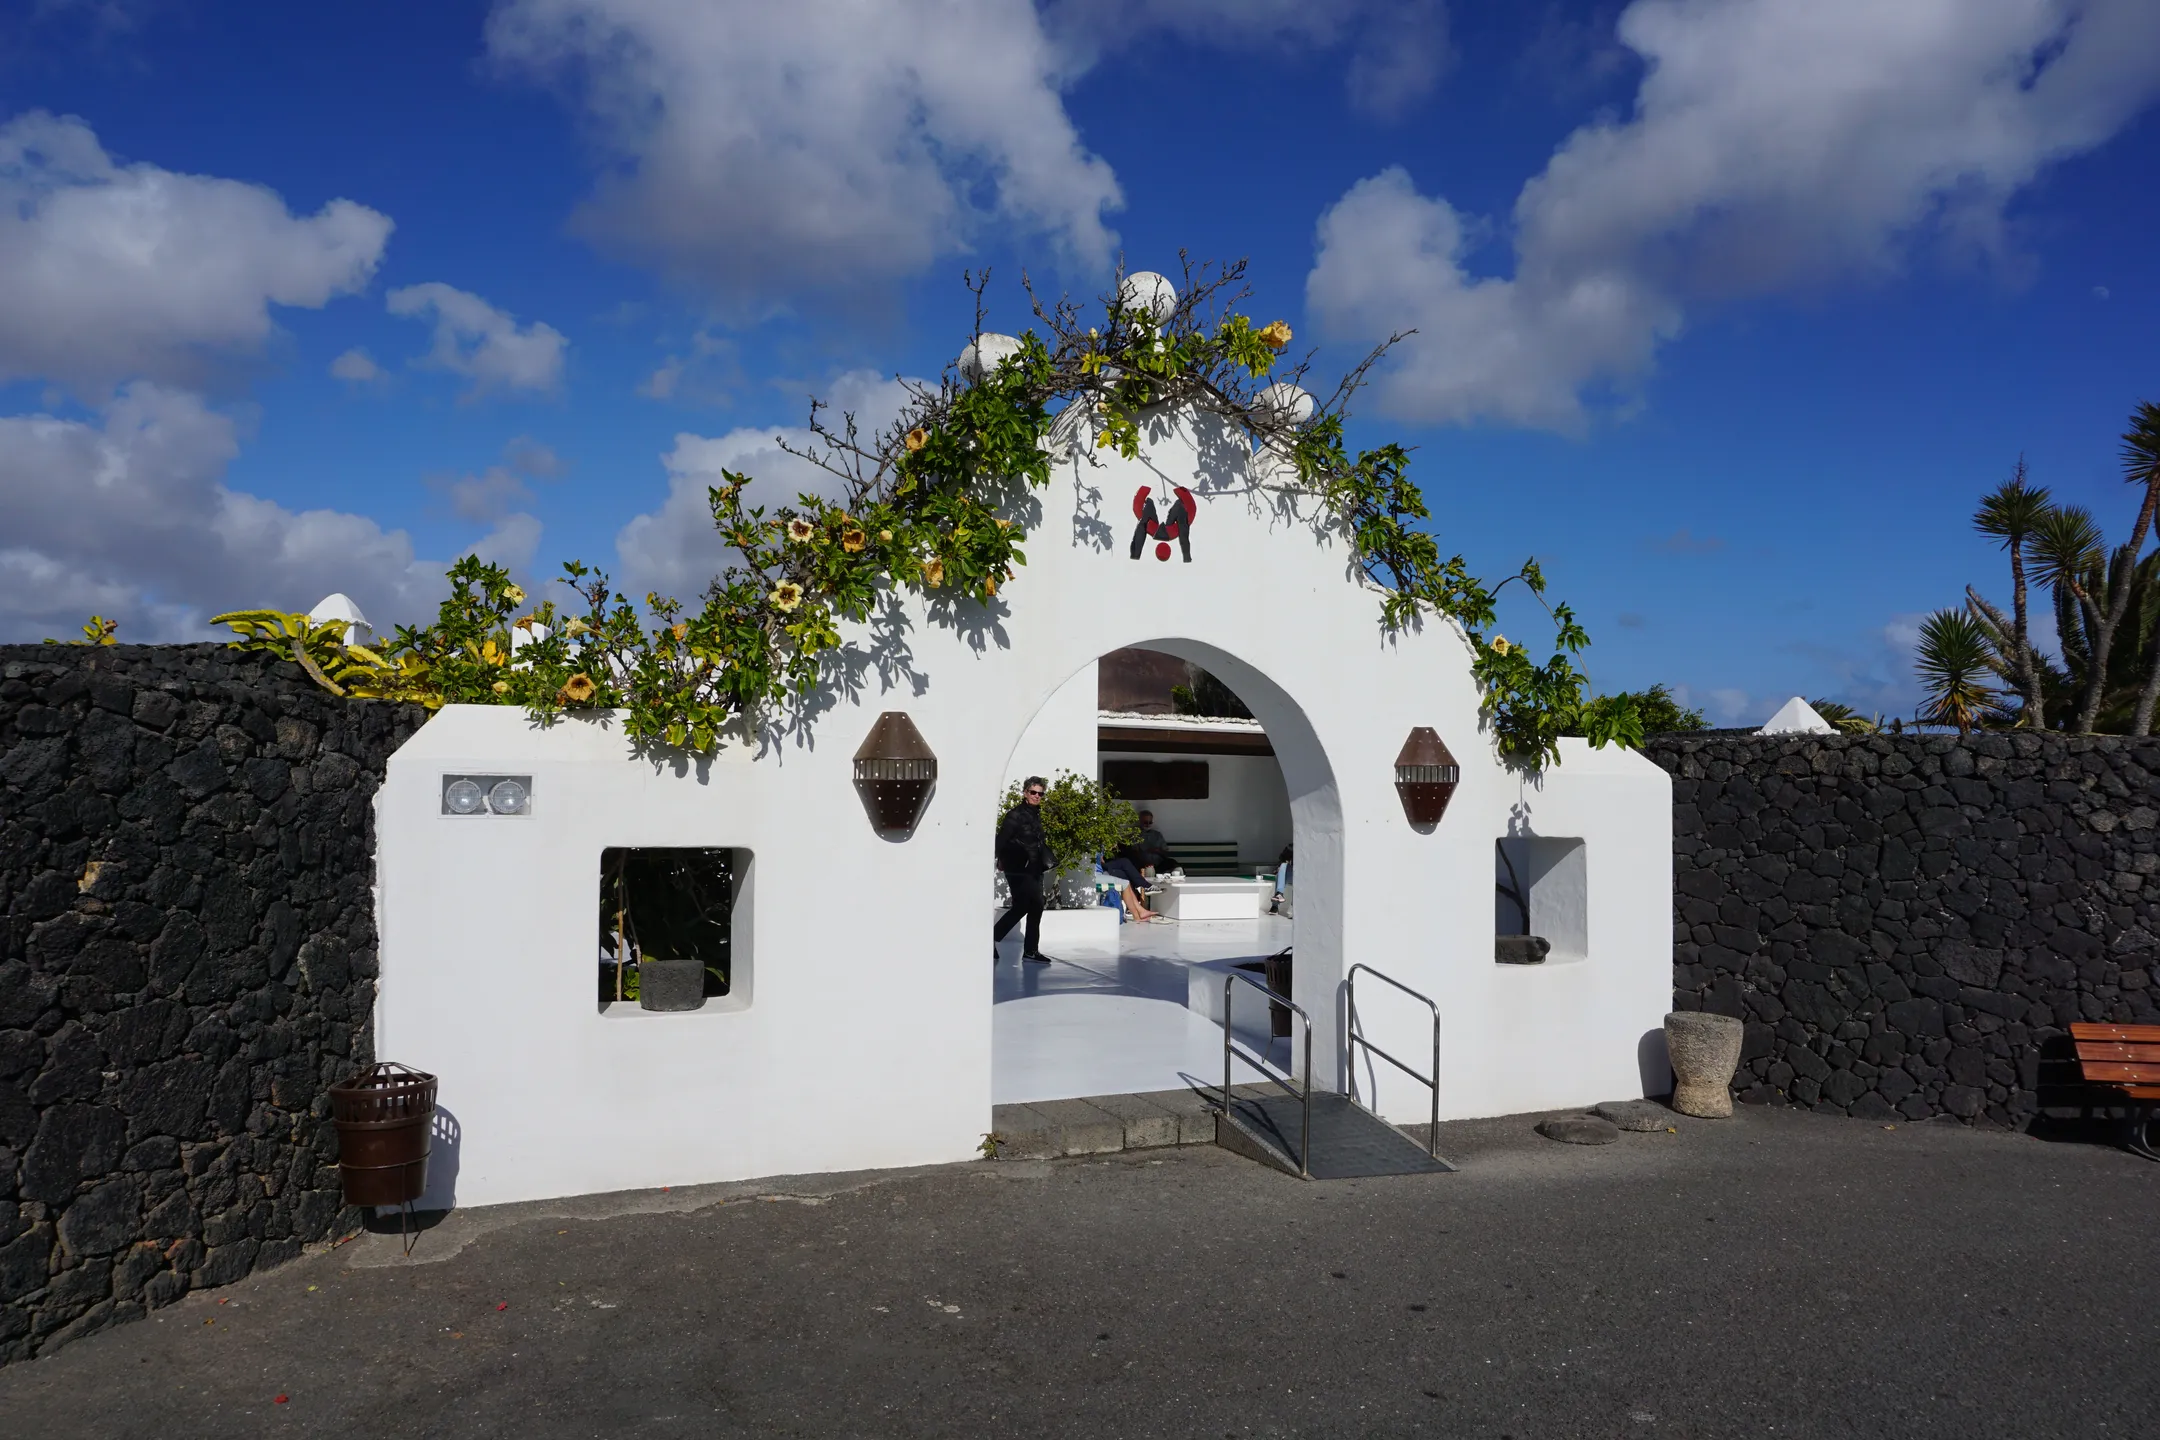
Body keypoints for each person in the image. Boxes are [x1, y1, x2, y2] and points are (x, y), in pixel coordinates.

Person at [994, 776, 1053, 962]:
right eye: (1033, 792)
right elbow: (1001, 840)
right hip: (1018, 868)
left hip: (1034, 868)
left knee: (1032, 906)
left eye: (1040, 794)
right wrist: (999, 859)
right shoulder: (1015, 815)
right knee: (1029, 905)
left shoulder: (1035, 814)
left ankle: (1030, 950)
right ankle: (994, 940)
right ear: (1025, 793)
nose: (1037, 796)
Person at [1133, 810, 1175, 876]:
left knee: (1172, 863)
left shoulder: (1157, 835)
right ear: (1140, 821)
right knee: (1147, 868)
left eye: (1150, 822)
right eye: (1145, 822)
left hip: (1159, 864)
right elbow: (1134, 853)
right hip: (1143, 865)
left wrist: (1158, 851)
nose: (1148, 825)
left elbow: (1166, 853)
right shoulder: (1136, 836)